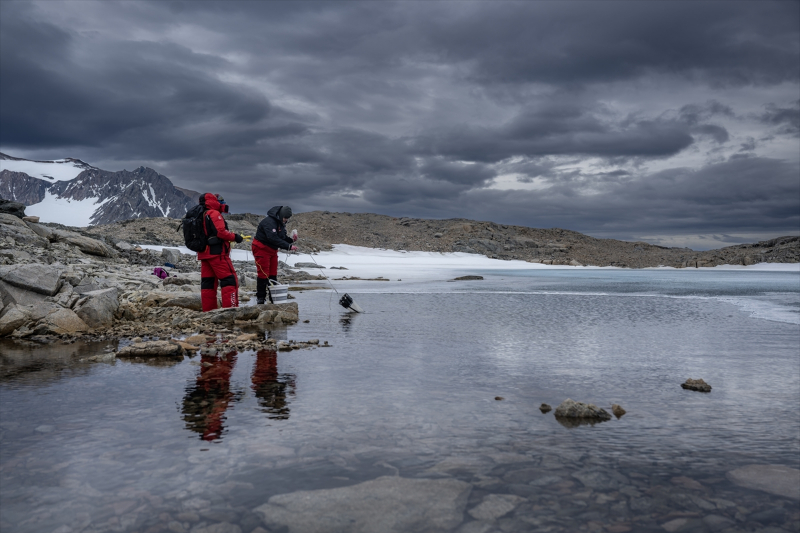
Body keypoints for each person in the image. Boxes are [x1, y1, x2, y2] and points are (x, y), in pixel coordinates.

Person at [197, 193, 245, 311]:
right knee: (229, 279)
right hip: (217, 253)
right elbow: (221, 232)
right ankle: (231, 310)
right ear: (215, 202)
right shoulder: (214, 213)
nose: (223, 204)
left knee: (208, 283)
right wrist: (235, 237)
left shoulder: (201, 213)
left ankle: (208, 311)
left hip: (204, 253)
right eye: (221, 201)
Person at [252, 205, 297, 304]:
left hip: (272, 250)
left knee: (273, 273)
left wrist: (291, 240)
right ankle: (261, 298)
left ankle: (273, 298)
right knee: (263, 273)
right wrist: (288, 247)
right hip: (261, 248)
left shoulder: (280, 223)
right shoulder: (269, 222)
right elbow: (272, 238)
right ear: (281, 215)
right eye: (285, 218)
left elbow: (282, 236)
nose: (286, 220)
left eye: (287, 218)